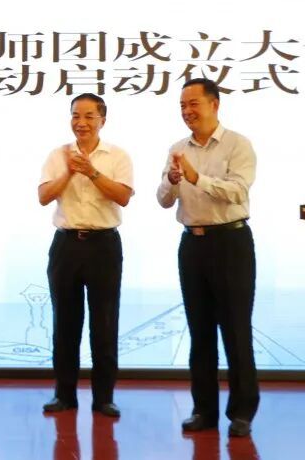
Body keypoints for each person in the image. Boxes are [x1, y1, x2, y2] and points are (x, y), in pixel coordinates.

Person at [156, 78, 258, 438]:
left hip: (231, 243)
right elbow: (163, 200)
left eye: (193, 104)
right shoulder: (177, 148)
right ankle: (203, 410)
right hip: (192, 245)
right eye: (182, 106)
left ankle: (242, 412)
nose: (187, 111)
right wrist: (172, 180)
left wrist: (197, 177)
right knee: (199, 332)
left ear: (214, 104)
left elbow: (237, 191)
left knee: (236, 330)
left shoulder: (237, 144)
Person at [38, 93, 134, 418]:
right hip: (66, 246)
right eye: (76, 115)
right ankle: (64, 395)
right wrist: (69, 172)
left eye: (89, 116)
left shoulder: (117, 156)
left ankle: (104, 398)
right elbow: (43, 196)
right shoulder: (58, 155)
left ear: (102, 120)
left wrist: (91, 172)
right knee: (65, 324)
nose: (81, 122)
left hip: (104, 245)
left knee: (104, 323)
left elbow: (123, 196)